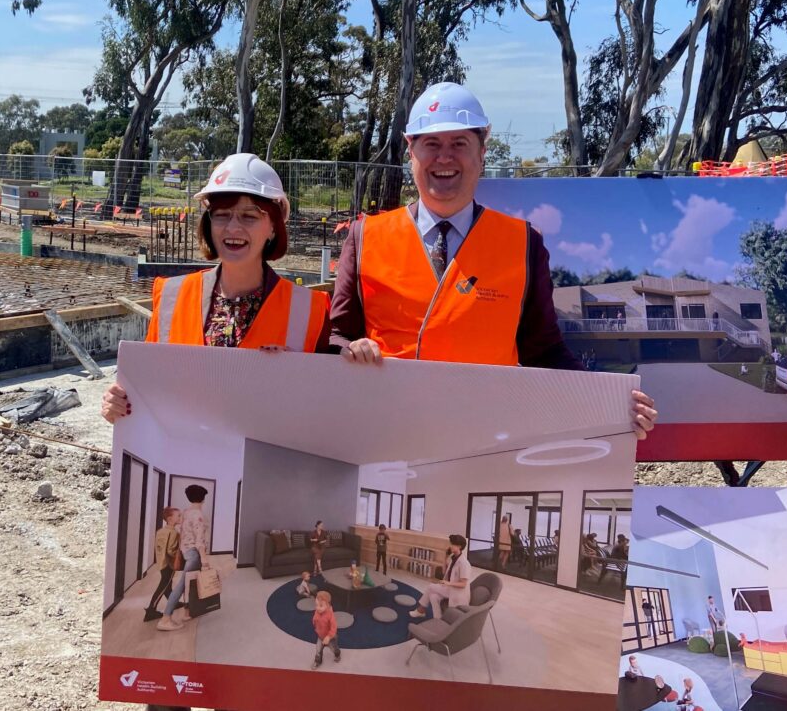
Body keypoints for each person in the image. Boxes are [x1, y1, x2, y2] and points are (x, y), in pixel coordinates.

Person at [328, 82, 657, 439]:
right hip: (387, 434)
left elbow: (543, 350)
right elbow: (334, 337)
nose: (444, 158)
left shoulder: (523, 244)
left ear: (482, 152)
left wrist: (610, 403)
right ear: (411, 151)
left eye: (459, 144)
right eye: (432, 144)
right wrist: (350, 349)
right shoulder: (366, 237)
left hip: (483, 441)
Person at [100, 153, 332, 425]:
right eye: (222, 215)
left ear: (273, 227)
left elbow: (325, 411)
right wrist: (117, 405)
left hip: (265, 463)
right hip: (185, 458)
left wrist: (293, 380)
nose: (233, 228)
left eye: (249, 216)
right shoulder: (173, 296)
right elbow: (149, 390)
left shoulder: (310, 310)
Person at [159, 485, 209, 632]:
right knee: (182, 585)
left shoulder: (185, 512)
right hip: (195, 553)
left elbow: (180, 531)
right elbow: (199, 540)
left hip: (186, 551)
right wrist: (204, 559)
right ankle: (166, 618)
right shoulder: (198, 515)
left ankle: (188, 612)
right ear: (203, 498)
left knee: (190, 583)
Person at [409, 534, 471, 619]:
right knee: (433, 596)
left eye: (453, 544)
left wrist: (448, 583)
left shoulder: (464, 563)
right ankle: (437, 619)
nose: (450, 546)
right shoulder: (453, 558)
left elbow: (463, 584)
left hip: (457, 592)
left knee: (430, 587)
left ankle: (420, 610)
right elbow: (444, 572)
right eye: (451, 543)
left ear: (460, 546)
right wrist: (445, 558)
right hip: (450, 588)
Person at [143, 507, 181, 622]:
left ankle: (173, 602)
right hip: (169, 564)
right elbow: (170, 551)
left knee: (167, 585)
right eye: (178, 516)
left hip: (161, 562)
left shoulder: (160, 531)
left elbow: (159, 548)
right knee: (163, 586)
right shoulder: (174, 533)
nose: (180, 518)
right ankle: (151, 610)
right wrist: (179, 555)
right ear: (170, 519)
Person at [311, 590, 341, 670]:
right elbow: (315, 618)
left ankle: (337, 654)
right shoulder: (317, 611)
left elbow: (334, 628)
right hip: (320, 636)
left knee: (333, 649)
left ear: (327, 605)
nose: (318, 608)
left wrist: (328, 637)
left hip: (331, 638)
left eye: (321, 606)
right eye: (316, 605)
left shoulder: (330, 615)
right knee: (318, 650)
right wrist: (314, 621)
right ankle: (317, 661)